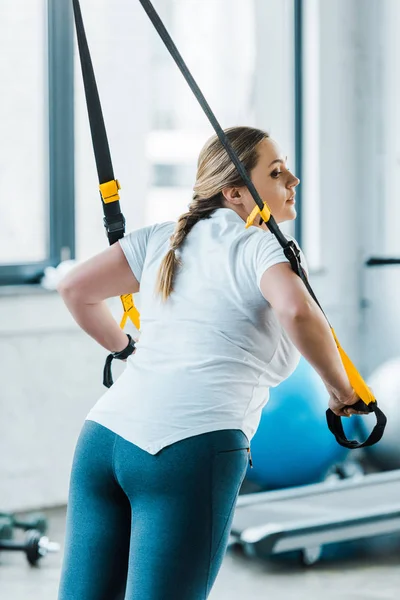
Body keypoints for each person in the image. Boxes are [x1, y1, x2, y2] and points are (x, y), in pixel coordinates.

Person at [57, 126, 361, 600]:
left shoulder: (161, 239)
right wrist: (342, 392)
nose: (294, 180)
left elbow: (75, 290)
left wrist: (124, 349)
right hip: (188, 448)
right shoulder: (259, 243)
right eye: (278, 172)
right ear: (235, 192)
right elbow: (298, 310)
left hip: (103, 440)